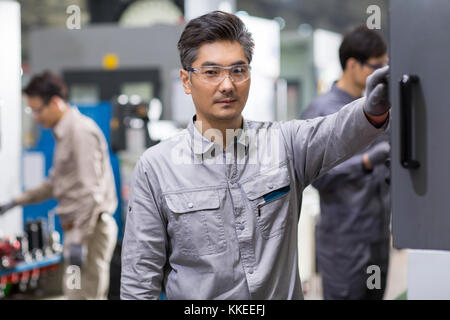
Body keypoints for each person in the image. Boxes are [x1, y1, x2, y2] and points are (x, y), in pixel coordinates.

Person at [120, 11, 390, 300]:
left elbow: (335, 131)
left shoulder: (284, 144)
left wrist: (371, 109)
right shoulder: (157, 167)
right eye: (211, 72)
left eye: (238, 70)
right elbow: (140, 277)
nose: (227, 85)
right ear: (186, 81)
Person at [0, 71, 118, 300]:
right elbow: (55, 184)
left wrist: (78, 240)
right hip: (79, 230)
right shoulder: (64, 133)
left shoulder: (80, 131)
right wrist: (15, 202)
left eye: (37, 110)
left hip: (89, 229)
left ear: (55, 102)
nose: (35, 117)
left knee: (83, 295)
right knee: (74, 292)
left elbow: (90, 192)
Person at [301, 25, 391, 299]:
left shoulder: (380, 106)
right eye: (376, 66)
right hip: (344, 243)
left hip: (377, 236)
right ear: (352, 65)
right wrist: (365, 162)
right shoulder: (322, 111)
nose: (381, 74)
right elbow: (316, 175)